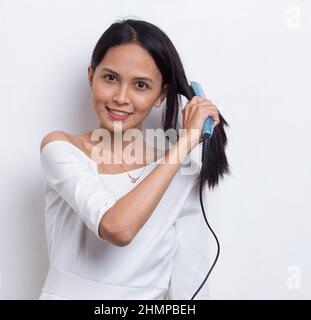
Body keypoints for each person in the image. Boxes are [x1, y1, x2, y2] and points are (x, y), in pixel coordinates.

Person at [38, 18, 229, 300]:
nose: (121, 97)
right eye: (111, 78)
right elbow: (118, 227)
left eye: (140, 85)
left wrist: (181, 152)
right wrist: (186, 141)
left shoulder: (180, 168)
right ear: (91, 76)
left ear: (160, 95)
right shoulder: (62, 149)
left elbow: (191, 274)